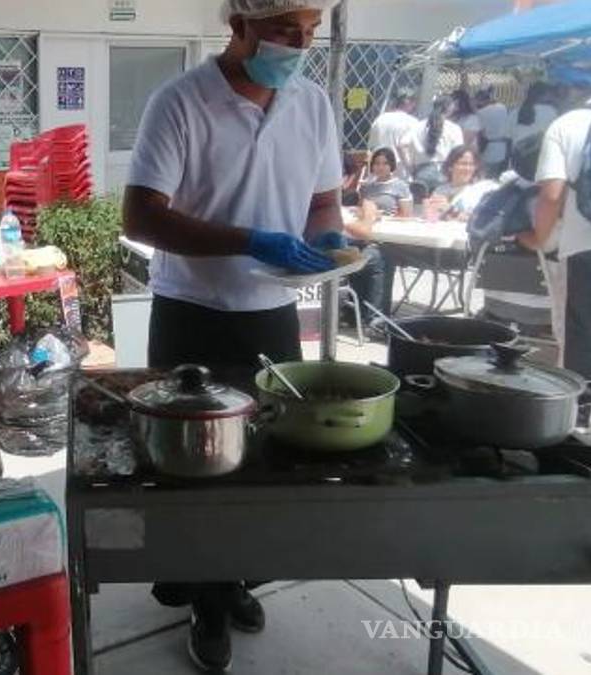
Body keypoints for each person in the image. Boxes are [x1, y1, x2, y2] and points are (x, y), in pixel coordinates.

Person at [122, 0, 344, 670]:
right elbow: (142, 217)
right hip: (193, 311)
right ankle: (206, 598)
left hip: (274, 311)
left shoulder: (312, 104)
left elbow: (322, 201)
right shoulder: (180, 102)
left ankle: (231, 577)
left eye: (310, 32)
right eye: (284, 31)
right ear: (239, 22)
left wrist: (328, 239)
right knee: (194, 466)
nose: (299, 46)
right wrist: (249, 240)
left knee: (266, 459)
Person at [519, 84, 591, 446]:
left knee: (585, 334)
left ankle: (579, 420)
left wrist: (540, 238)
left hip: (585, 247)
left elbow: (551, 196)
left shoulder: (566, 125)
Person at [340, 155, 394, 318]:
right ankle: (375, 319)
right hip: (331, 256)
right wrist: (369, 211)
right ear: (347, 178)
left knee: (366, 252)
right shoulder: (333, 202)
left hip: (321, 249)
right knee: (380, 256)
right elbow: (365, 233)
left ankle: (355, 313)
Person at [400, 95, 465, 193]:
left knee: (420, 202)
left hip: (421, 172)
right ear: (449, 108)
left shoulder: (418, 126)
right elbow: (458, 152)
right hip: (444, 172)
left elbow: (402, 144)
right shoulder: (454, 128)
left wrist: (409, 166)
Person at [427, 146, 498, 221]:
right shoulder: (440, 190)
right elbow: (432, 217)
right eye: (463, 164)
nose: (467, 168)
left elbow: (484, 219)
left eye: (471, 164)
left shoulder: (484, 189)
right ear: (450, 166)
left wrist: (450, 211)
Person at [368, 88, 419, 179]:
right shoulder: (413, 123)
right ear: (409, 103)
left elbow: (372, 148)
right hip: (401, 173)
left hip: (379, 172)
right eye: (414, 102)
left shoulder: (379, 120)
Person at [359, 148, 412, 217]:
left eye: (385, 164)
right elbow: (360, 209)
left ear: (391, 165)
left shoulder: (400, 186)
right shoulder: (366, 187)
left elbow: (405, 215)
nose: (380, 167)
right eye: (377, 163)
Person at [511, 82, 560, 150]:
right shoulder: (550, 111)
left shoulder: (516, 110)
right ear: (546, 95)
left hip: (516, 150)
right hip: (538, 150)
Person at [475, 87, 511, 176]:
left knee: (487, 175)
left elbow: (480, 132)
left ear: (480, 100)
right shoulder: (502, 108)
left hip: (489, 149)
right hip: (503, 148)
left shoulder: (481, 113)